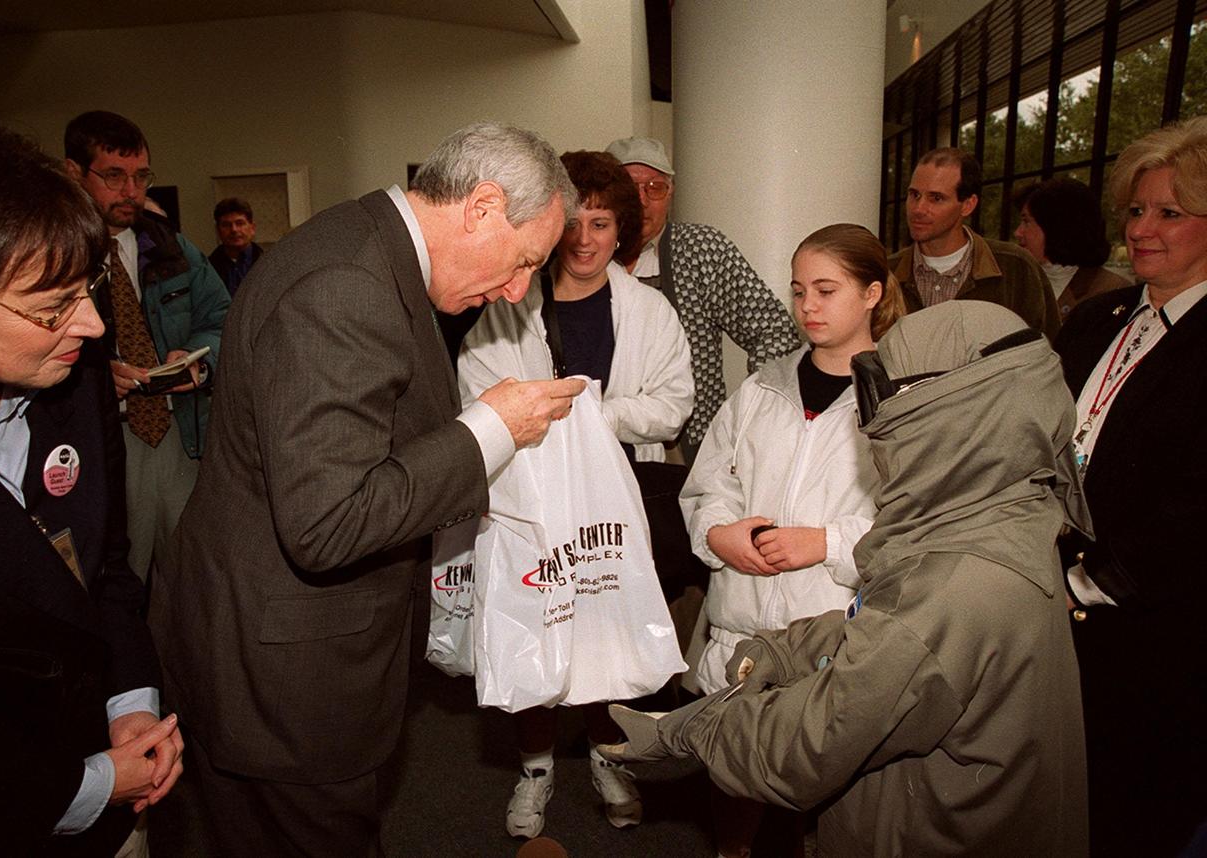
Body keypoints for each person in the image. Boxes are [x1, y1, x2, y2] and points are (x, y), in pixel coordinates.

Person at [147, 122, 585, 857]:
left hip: (281, 644)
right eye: (523, 262)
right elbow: (328, 522)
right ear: (481, 206)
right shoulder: (347, 284)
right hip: (284, 673)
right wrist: (490, 430)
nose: (516, 289)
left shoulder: (367, 248)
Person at [600, 301, 1090, 858]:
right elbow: (891, 638)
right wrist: (785, 652)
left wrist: (687, 730)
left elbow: (810, 745)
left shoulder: (956, 578)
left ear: (950, 418)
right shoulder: (1004, 510)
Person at [0, 96, 182, 856]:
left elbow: (103, 570)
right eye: (52, 306)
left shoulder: (73, 380)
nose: (94, 327)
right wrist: (89, 785)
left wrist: (130, 705)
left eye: (90, 292)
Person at [457, 150, 694, 839]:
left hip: (615, 499)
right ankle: (535, 768)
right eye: (575, 223)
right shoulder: (508, 307)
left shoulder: (649, 311)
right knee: (539, 621)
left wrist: (588, 412)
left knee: (605, 626)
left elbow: (672, 405)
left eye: (603, 223)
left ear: (623, 231)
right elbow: (479, 389)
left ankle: (603, 754)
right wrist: (561, 416)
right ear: (552, 226)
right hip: (529, 498)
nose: (587, 240)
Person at [679, 223, 904, 858]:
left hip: (830, 628)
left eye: (827, 290)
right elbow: (708, 485)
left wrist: (828, 543)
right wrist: (718, 532)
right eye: (799, 290)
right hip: (743, 621)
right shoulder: (760, 388)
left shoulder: (899, 398)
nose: (807, 306)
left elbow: (915, 524)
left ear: (871, 294)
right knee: (736, 766)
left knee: (829, 779)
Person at [1054, 115, 1207, 857]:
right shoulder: (1093, 322)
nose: (1143, 228)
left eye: (1169, 213)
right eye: (1136, 209)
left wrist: (1088, 583)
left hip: (1154, 639)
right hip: (1054, 619)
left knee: (1130, 817)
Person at [63, 111, 231, 583]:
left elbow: (222, 319)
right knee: (117, 574)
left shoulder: (172, 248)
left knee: (190, 571)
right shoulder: (57, 254)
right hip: (104, 438)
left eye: (140, 177)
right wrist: (95, 378)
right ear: (73, 173)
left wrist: (200, 361)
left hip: (179, 433)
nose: (131, 192)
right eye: (114, 176)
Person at [605, 136, 801, 462]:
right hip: (599, 442)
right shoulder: (581, 256)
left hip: (683, 449)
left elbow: (774, 330)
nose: (641, 201)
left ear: (670, 193)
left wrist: (750, 411)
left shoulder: (700, 249)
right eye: (629, 187)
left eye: (654, 187)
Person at [892, 147, 1061, 337]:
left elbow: (1051, 348)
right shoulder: (885, 272)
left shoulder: (1015, 267)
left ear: (968, 205)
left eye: (936, 198)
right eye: (914, 195)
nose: (918, 209)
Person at [1013, 177, 1128, 319]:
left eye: (1026, 221)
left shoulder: (1113, 293)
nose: (1017, 232)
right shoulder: (1018, 286)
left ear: (1057, 226)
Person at [208, 196, 264, 297]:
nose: (234, 230)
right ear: (217, 230)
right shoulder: (207, 269)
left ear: (252, 228)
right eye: (226, 225)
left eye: (240, 223)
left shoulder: (267, 265)